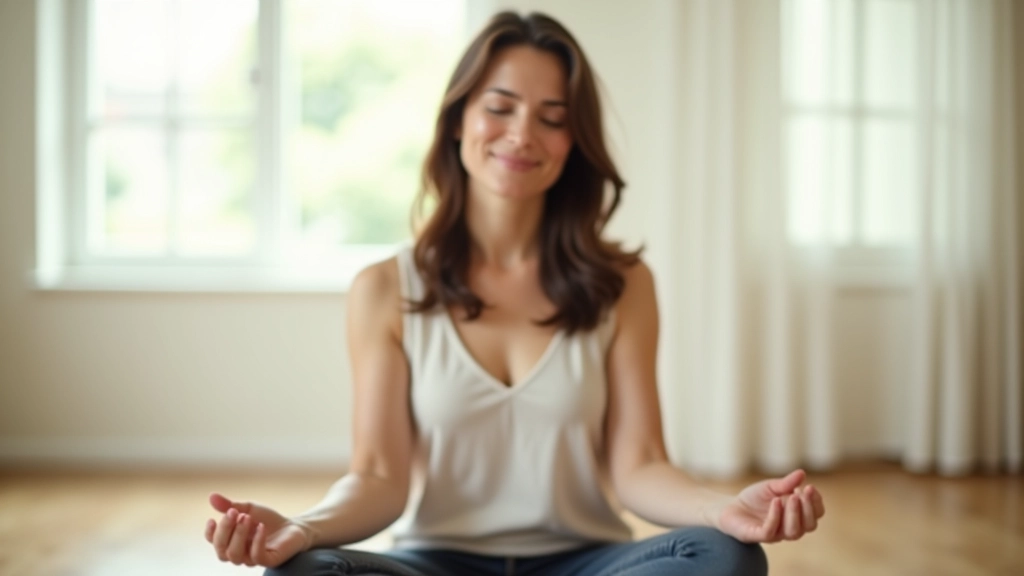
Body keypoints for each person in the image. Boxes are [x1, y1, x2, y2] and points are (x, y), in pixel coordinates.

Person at [203, 11, 825, 576]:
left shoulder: (624, 285)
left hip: (586, 562)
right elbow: (378, 477)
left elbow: (639, 465)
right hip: (435, 563)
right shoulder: (384, 289)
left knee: (724, 556)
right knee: (305, 572)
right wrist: (302, 527)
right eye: (500, 107)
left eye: (552, 118)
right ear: (458, 120)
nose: (522, 134)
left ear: (572, 142)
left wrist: (723, 509)